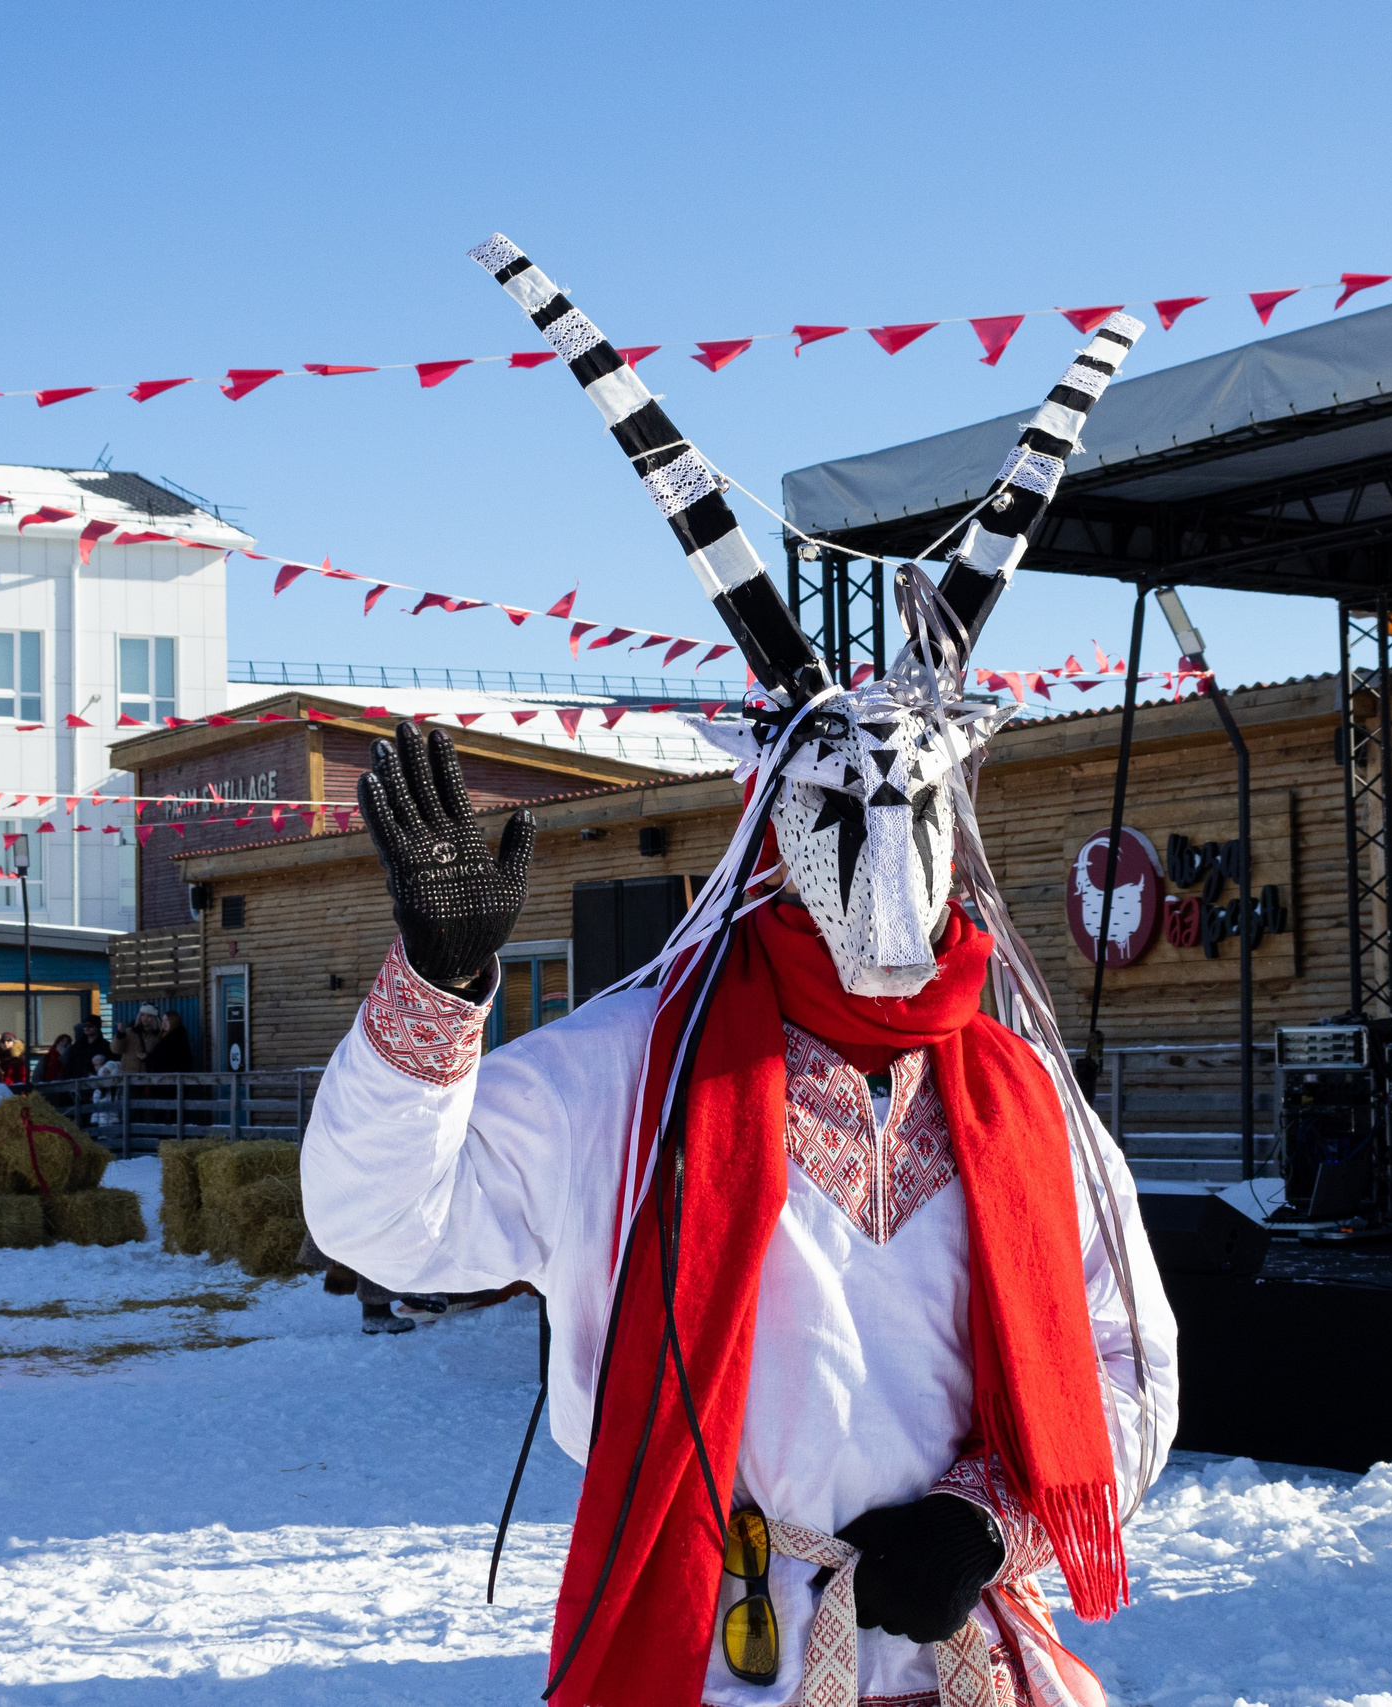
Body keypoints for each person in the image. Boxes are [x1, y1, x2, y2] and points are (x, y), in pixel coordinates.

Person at [302, 247, 1169, 1707]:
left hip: (963, 1655)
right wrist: (441, 991)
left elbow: (1122, 1360)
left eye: (915, 818)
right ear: (772, 819)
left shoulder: (1024, 1098)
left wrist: (979, 1520)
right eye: (843, 815)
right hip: (723, 1652)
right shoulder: (632, 1072)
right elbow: (386, 1219)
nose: (887, 867)